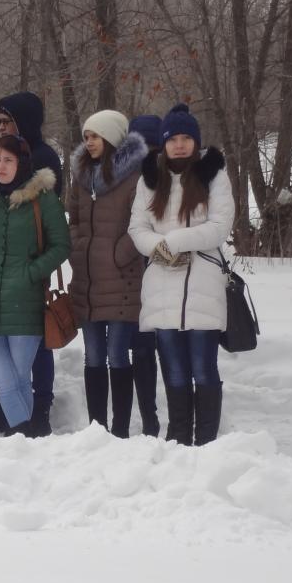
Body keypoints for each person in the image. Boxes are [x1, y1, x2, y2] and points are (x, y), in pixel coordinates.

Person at [129, 104, 233, 445]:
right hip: (162, 284)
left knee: (203, 369)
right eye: (173, 138)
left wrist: (175, 241)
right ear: (163, 142)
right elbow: (137, 227)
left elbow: (219, 227)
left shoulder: (213, 174)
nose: (179, 144)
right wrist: (160, 250)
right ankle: (178, 438)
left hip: (202, 283)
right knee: (173, 371)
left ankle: (206, 440)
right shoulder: (151, 178)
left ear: (196, 141)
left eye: (187, 137)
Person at [0, 135, 69, 435]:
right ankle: (27, 436)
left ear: (22, 163)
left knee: (17, 379)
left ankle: (22, 438)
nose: (1, 166)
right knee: (6, 379)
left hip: (25, 301)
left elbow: (61, 245)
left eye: (8, 160)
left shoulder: (43, 199)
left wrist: (31, 272)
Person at [68, 110, 149, 436]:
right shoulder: (82, 178)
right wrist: (78, 247)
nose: (89, 142)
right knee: (93, 356)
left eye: (95, 136)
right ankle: (96, 427)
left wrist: (118, 255)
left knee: (117, 354)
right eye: (86, 136)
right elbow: (72, 219)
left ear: (112, 138)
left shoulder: (134, 179)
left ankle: (119, 428)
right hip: (87, 279)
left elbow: (141, 224)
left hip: (120, 280)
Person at [0, 91, 63, 436]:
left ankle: (41, 405)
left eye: (8, 121)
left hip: (33, 260)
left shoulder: (45, 156)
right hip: (2, 263)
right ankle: (5, 405)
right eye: (0, 122)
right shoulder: (3, 154)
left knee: (37, 336)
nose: (3, 127)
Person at [126, 113, 164, 436]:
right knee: (140, 351)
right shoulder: (124, 178)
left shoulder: (171, 179)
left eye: (153, 146)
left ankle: (165, 416)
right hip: (131, 280)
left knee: (166, 350)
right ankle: (149, 417)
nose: (147, 154)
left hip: (165, 276)